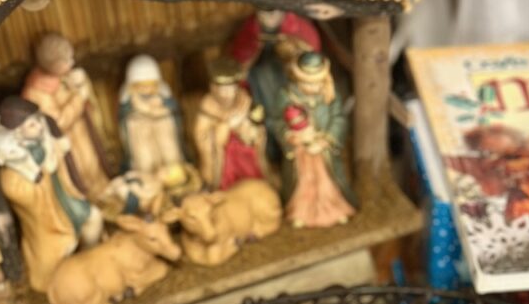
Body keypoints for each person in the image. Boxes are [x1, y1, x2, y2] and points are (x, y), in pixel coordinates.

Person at [0, 96, 103, 292]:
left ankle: (90, 260)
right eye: (32, 125)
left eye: (37, 121)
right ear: (18, 132)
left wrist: (58, 150)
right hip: (46, 222)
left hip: (63, 198)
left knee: (93, 218)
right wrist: (36, 177)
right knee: (55, 256)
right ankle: (64, 286)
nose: (39, 127)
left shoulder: (46, 141)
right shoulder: (13, 170)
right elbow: (18, 194)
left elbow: (59, 161)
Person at [22, 32, 112, 201]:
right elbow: (58, 124)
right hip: (65, 143)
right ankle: (90, 200)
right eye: (66, 61)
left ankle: (103, 192)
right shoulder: (37, 92)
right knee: (79, 171)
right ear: (51, 64)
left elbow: (80, 96)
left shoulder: (62, 76)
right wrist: (79, 96)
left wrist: (81, 83)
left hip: (81, 131)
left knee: (93, 163)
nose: (71, 63)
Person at [272, 51, 356, 228]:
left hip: (322, 152)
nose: (311, 88)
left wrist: (326, 140)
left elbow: (339, 118)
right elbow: (276, 121)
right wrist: (291, 136)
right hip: (300, 153)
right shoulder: (286, 95)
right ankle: (300, 212)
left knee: (327, 183)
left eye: (316, 83)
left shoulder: (330, 96)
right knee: (304, 184)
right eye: (306, 83)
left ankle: (335, 209)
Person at [192, 58, 267, 190]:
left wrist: (249, 131)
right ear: (213, 88)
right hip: (223, 160)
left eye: (229, 89)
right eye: (221, 89)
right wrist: (223, 128)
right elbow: (202, 137)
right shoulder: (207, 109)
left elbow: (255, 130)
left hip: (244, 151)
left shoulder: (244, 102)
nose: (225, 94)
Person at [118, 55, 188, 188]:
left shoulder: (163, 92)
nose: (146, 90)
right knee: (144, 155)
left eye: (150, 85)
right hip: (140, 129)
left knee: (168, 146)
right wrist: (143, 112)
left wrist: (162, 108)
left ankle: (174, 174)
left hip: (161, 125)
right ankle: (149, 178)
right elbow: (124, 115)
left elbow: (173, 107)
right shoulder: (128, 97)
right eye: (141, 86)